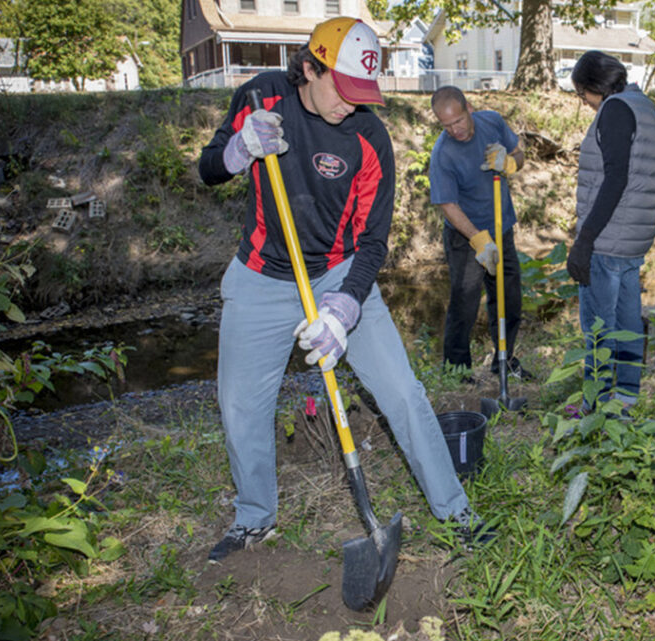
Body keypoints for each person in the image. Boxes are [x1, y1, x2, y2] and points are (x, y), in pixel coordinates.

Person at [197, 17, 489, 563]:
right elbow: (208, 168)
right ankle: (253, 519)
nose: (351, 105)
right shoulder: (261, 97)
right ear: (310, 67)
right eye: (343, 89)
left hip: (337, 273)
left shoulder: (369, 137)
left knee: (403, 392)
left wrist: (346, 304)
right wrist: (238, 149)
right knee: (240, 405)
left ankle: (456, 510)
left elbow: (375, 241)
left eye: (363, 94)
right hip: (261, 274)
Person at [566, 51, 655, 413]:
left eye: (582, 94)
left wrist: (585, 240)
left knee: (598, 325)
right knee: (627, 320)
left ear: (595, 86)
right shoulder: (645, 107)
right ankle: (625, 397)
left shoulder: (614, 110)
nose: (584, 102)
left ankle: (593, 403)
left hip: (609, 237)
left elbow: (615, 179)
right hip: (634, 235)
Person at [428, 86, 532, 381]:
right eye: (446, 125)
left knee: (508, 298)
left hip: (502, 226)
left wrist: (510, 163)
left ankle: (504, 360)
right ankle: (457, 370)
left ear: (469, 109)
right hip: (466, 237)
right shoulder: (443, 153)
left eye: (458, 121)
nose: (454, 130)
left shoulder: (492, 122)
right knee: (465, 302)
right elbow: (448, 204)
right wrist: (478, 240)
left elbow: (519, 154)